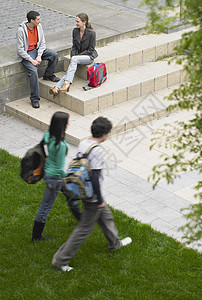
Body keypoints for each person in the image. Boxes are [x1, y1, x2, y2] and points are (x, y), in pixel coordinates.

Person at [52, 117, 132, 272]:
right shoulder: (98, 151)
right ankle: (60, 260)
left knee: (106, 217)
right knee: (84, 229)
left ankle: (115, 244)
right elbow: (95, 177)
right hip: (92, 196)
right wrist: (99, 200)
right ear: (104, 134)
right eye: (107, 133)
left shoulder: (84, 143)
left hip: (82, 189)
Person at [32, 111, 69, 241]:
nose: (69, 124)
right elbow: (59, 169)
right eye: (67, 122)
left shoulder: (48, 136)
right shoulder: (61, 145)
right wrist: (69, 176)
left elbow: (43, 146)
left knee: (70, 194)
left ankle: (79, 215)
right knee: (45, 207)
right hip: (55, 178)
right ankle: (36, 236)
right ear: (63, 126)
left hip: (48, 174)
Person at [16, 11, 60, 109]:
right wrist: (31, 60)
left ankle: (48, 75)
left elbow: (42, 43)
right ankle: (34, 99)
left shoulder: (39, 27)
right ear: (32, 20)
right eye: (38, 19)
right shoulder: (21, 31)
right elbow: (20, 50)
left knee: (54, 55)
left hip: (37, 50)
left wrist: (39, 55)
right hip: (27, 53)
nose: (40, 21)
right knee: (33, 71)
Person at [49, 13, 98, 98]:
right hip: (77, 57)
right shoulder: (75, 31)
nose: (76, 23)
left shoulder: (91, 33)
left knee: (74, 61)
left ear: (84, 22)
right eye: (76, 21)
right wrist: (73, 57)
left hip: (88, 57)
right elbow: (74, 47)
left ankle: (67, 84)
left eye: (78, 21)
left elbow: (91, 50)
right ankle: (57, 88)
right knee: (70, 71)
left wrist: (76, 57)